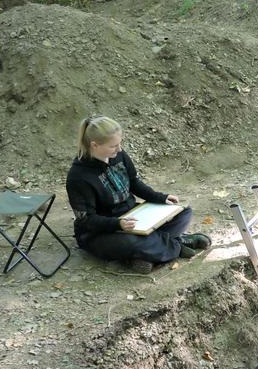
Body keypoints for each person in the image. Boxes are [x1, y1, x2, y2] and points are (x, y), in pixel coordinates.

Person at [66, 115, 211, 274]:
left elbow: (134, 183)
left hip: (133, 216)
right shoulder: (78, 177)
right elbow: (86, 220)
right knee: (132, 242)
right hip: (100, 232)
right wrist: (118, 224)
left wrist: (160, 197)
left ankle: (150, 253)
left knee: (183, 211)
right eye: (113, 146)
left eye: (119, 143)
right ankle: (177, 244)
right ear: (94, 145)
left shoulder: (118, 156)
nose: (119, 149)